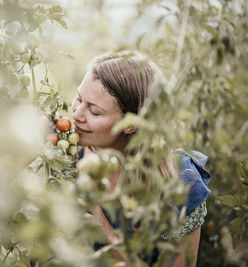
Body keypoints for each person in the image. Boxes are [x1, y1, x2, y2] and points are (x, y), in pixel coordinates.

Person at [72, 51, 211, 266]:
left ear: (130, 124)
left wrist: (109, 237)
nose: (76, 115)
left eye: (94, 111)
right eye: (79, 99)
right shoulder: (66, 155)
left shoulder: (180, 182)